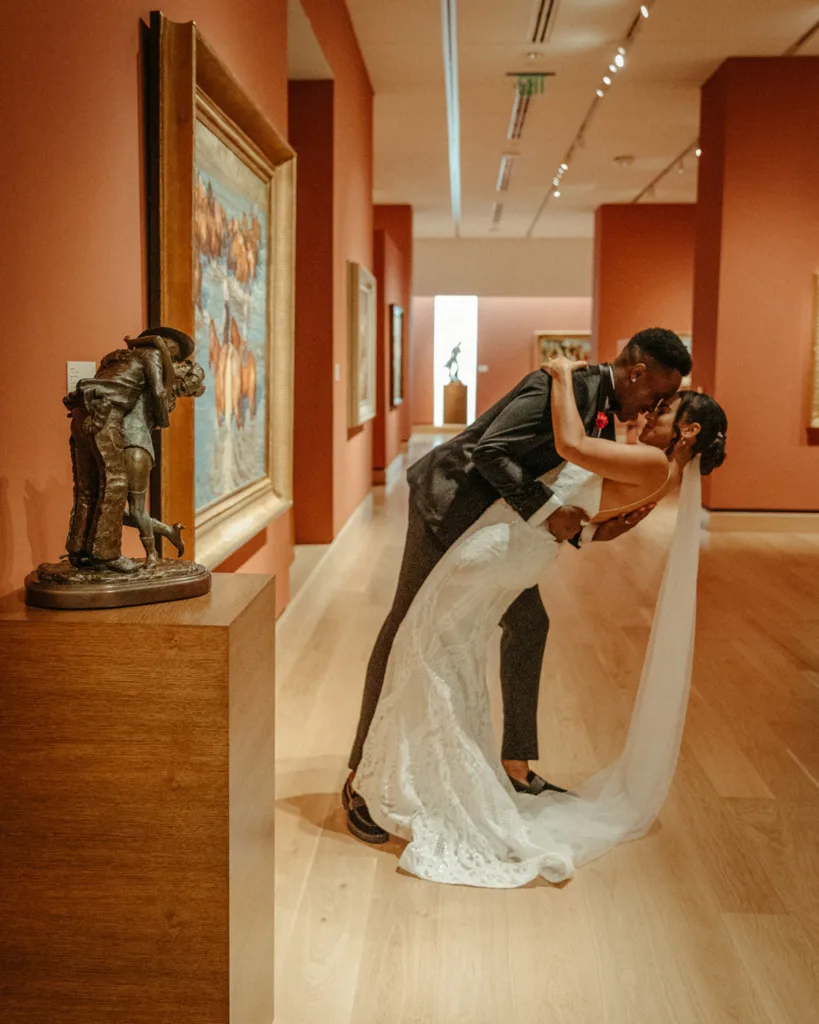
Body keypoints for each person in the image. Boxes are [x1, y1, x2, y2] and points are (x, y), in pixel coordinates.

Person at [354, 358, 728, 887]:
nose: (651, 411)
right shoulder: (653, 468)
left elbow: (572, 448)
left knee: (423, 645)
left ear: (687, 432)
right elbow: (597, 522)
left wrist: (560, 374)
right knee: (450, 647)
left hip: (506, 545)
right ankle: (431, 770)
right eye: (657, 400)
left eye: (665, 408)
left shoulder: (645, 458)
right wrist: (576, 526)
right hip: (508, 538)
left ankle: (392, 777)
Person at [64, 327, 196, 572]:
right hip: (106, 414)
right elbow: (158, 391)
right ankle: (106, 554)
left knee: (87, 487)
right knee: (114, 483)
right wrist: (163, 418)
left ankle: (78, 550)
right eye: (173, 351)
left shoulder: (114, 356)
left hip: (81, 412)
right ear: (164, 345)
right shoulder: (152, 355)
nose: (172, 358)